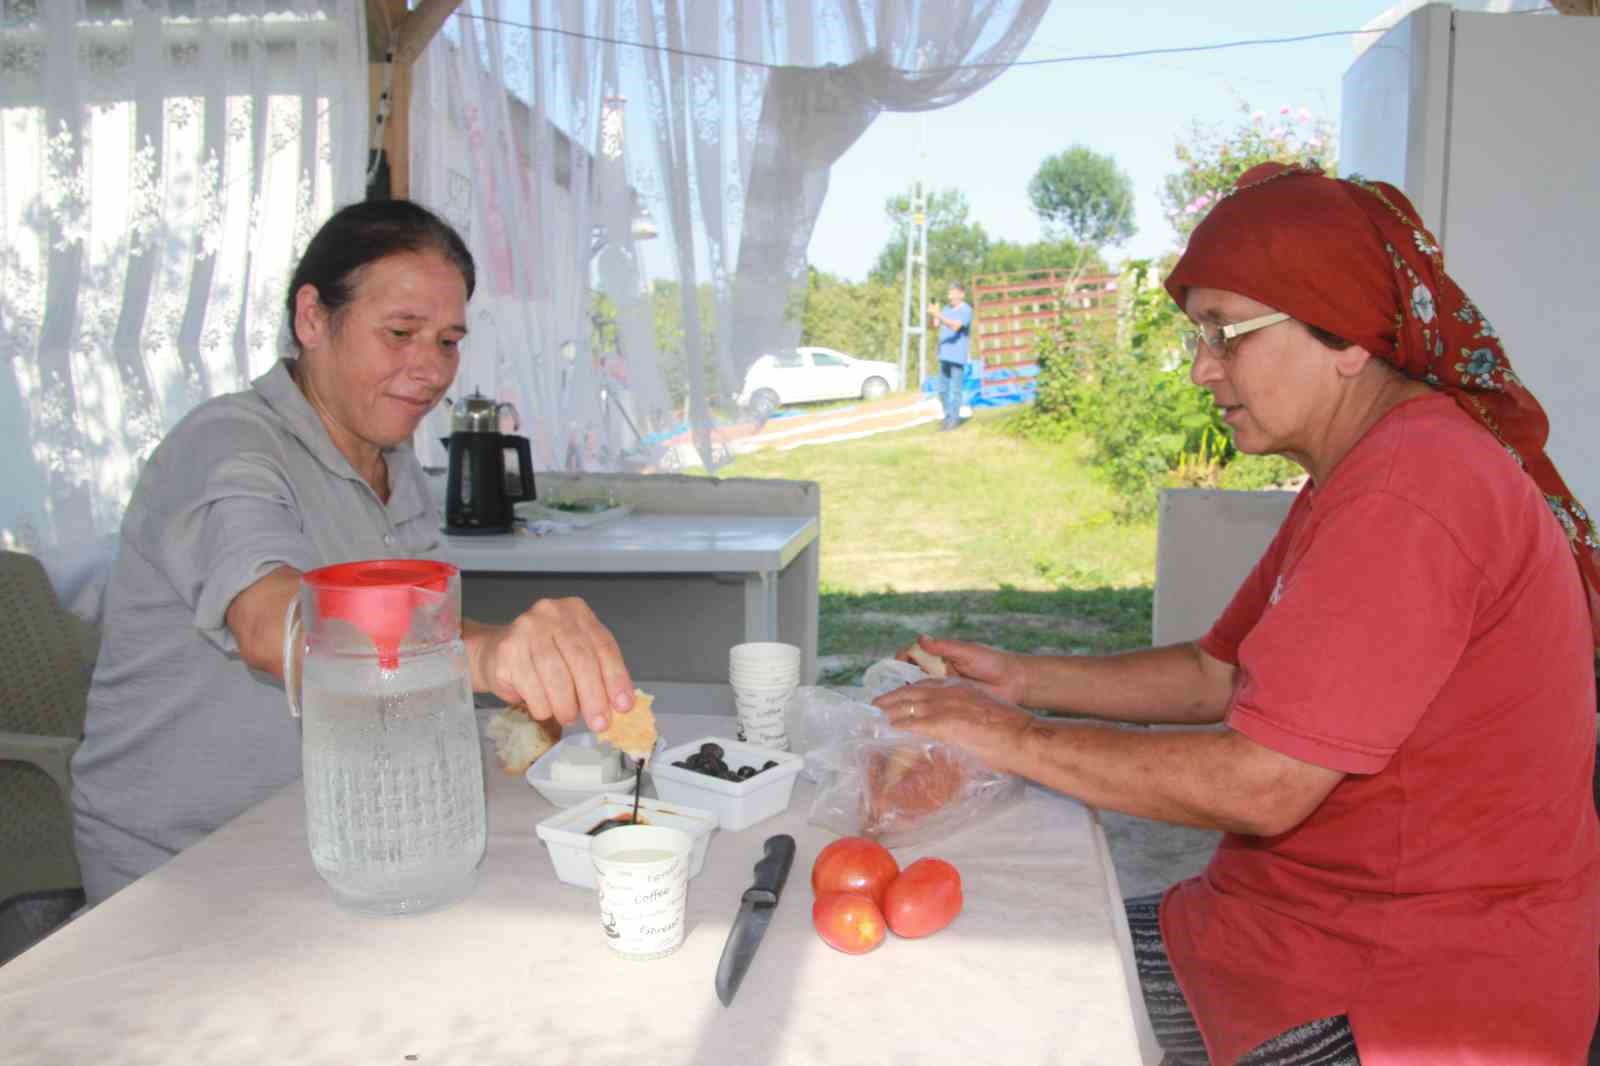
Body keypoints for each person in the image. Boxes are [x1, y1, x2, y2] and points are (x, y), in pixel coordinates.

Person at [878, 163, 1600, 1064]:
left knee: (979, 1014)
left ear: (1346, 337)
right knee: (972, 974)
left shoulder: (1417, 489)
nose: (1199, 368)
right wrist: (1021, 679)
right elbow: (1217, 673)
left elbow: (1261, 783)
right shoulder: (1372, 462)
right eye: (1198, 335)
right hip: (1274, 929)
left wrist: (1015, 737)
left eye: (1226, 333)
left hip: (1401, 992)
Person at [72, 200, 636, 905]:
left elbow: (399, 656)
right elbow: (268, 624)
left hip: (340, 835)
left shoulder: (392, 467)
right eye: (400, 333)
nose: (429, 370)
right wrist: (487, 651)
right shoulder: (225, 446)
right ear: (312, 319)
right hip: (182, 867)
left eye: (448, 341)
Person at [927, 282, 973, 431]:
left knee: (956, 390)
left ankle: (954, 419)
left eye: (952, 293)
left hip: (957, 356)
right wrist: (933, 314)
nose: (950, 296)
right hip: (944, 354)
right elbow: (933, 326)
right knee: (942, 390)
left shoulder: (966, 310)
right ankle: (947, 416)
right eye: (949, 293)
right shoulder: (946, 309)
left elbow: (956, 326)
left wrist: (938, 315)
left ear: (961, 294)